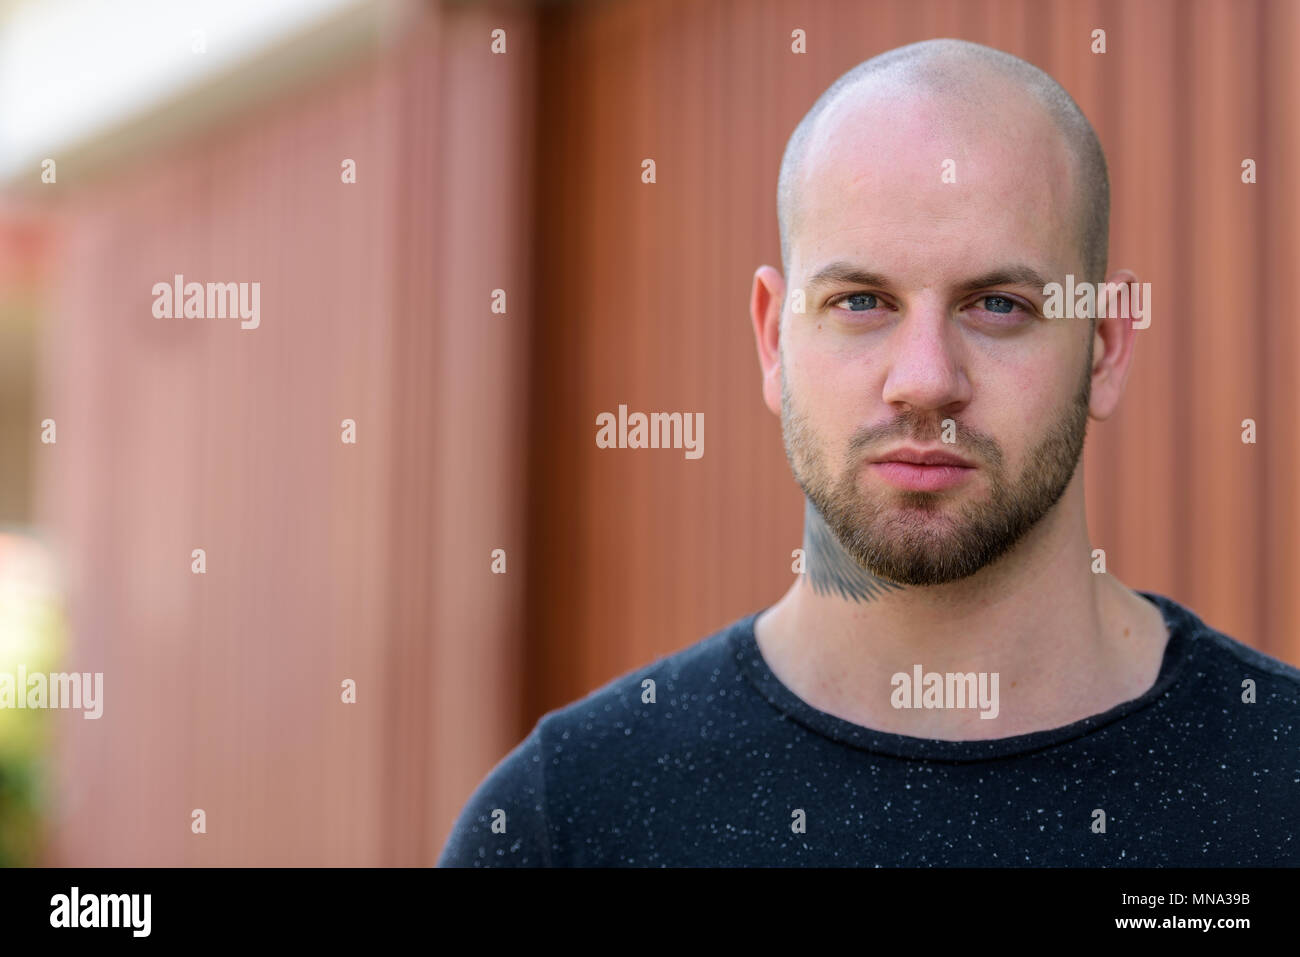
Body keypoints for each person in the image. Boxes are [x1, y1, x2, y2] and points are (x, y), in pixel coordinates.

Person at [437, 38, 1299, 867]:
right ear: (774, 340)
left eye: (997, 304)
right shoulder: (571, 819)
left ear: (1106, 345)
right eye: (861, 302)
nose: (925, 382)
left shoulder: (1279, 781)